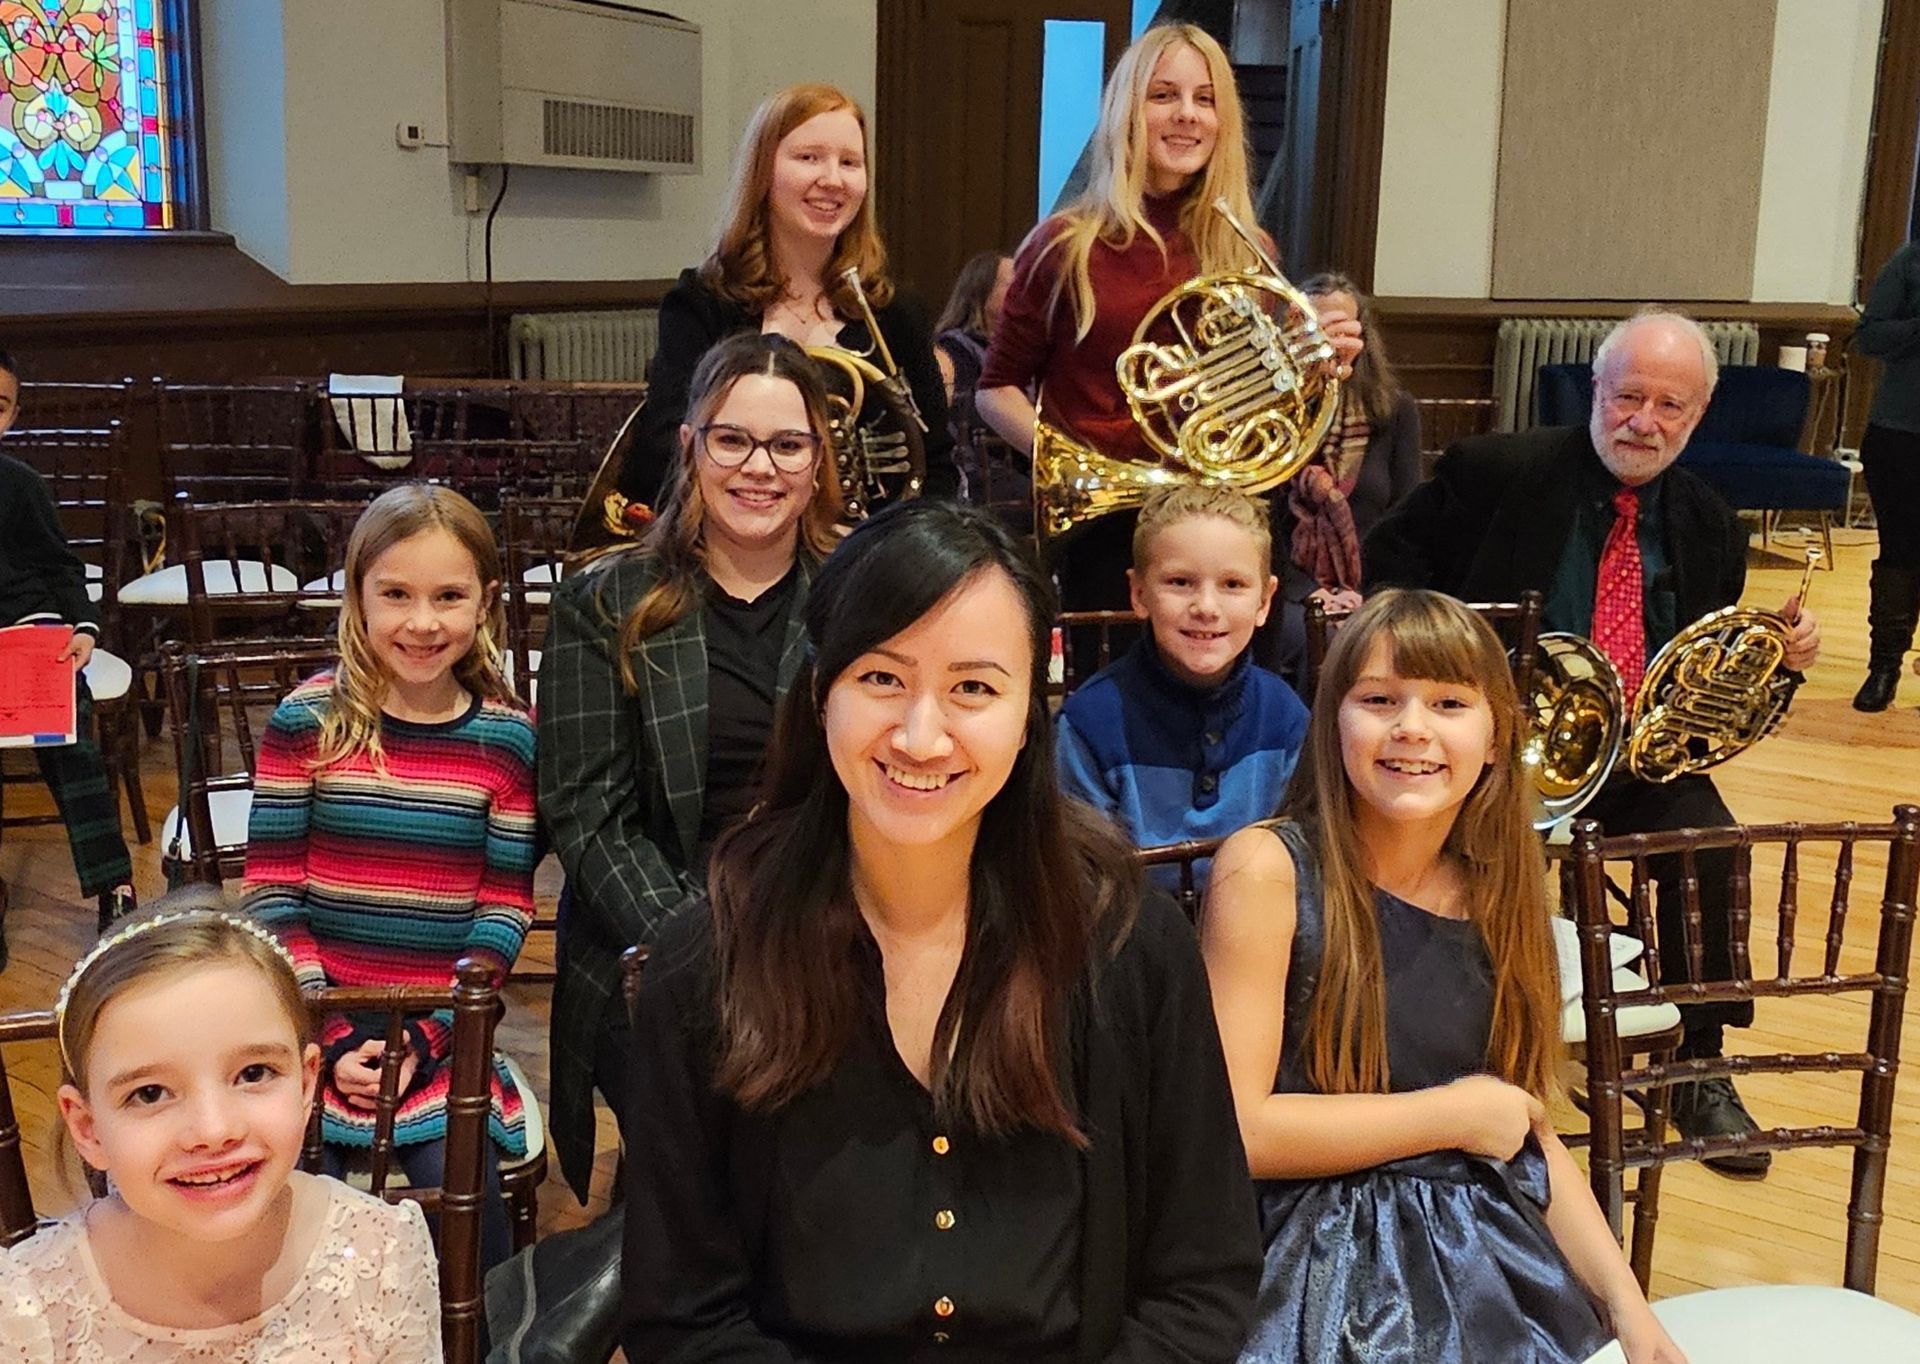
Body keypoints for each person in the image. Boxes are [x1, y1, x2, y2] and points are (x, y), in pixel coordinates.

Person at [622, 499, 1260, 1361]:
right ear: (820, 693)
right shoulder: (710, 959)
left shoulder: (1129, 942)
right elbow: (682, 1318)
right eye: (882, 679)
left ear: (1030, 714)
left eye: (974, 688)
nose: (922, 737)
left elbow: (1202, 1281)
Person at [1364, 308, 1821, 1175]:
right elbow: (1389, 566)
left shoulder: (1712, 524)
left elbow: (1719, 680)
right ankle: (1449, 1047)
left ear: (1699, 416)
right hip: (1489, 747)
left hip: (1634, 757)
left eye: (1670, 406)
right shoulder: (1495, 472)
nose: (1643, 422)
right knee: (1465, 856)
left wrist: (1783, 661)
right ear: (1595, 391)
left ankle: (1696, 1061)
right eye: (1628, 397)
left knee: (1711, 843)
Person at [1204, 589, 1683, 1364]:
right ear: (1333, 722)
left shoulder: (1498, 889)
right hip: (1303, 1263)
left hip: (1479, 1256)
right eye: (1379, 699)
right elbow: (1241, 1131)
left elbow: (1525, 1128)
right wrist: (1455, 1117)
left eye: (1450, 703)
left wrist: (1629, 1307)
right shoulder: (1266, 869)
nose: (1412, 728)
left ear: (1496, 739)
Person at [540, 332, 841, 1200]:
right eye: (732, 439)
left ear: (817, 461)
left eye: (787, 445)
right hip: (651, 944)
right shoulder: (603, 600)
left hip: (817, 928)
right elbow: (589, 813)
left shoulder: (854, 596)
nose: (760, 467)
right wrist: (699, 948)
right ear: (689, 446)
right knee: (712, 1150)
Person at [240, 483, 537, 1271]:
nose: (423, 622)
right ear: (358, 596)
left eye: (449, 596)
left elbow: (502, 908)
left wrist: (428, 1035)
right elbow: (272, 895)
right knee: (286, 1198)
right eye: (396, 594)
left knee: (466, 1202)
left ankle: (477, 1327)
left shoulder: (507, 739)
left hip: (442, 1025)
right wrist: (330, 1032)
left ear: (485, 602)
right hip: (313, 1016)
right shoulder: (307, 724)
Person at [976, 23, 1360, 620]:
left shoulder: (1247, 247)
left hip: (1226, 523)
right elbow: (995, 389)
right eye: (1163, 95)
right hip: (1112, 530)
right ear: (1127, 111)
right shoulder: (1063, 246)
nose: (1187, 114)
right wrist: (1075, 464)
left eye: (1205, 99)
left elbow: (1256, 403)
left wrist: (1316, 368)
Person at [0, 899, 440, 1360]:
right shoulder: (29, 1307)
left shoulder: (383, 1252)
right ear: (88, 1128)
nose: (213, 1131)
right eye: (149, 1093)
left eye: (253, 1073)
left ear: (305, 1083)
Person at [615, 82, 957, 515]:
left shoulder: (895, 313)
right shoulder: (703, 302)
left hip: (869, 548)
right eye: (809, 157)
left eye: (850, 162)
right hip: (732, 539)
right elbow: (665, 450)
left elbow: (935, 464)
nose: (832, 180)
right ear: (763, 171)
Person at [1056, 484, 1307, 876]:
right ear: (1139, 593)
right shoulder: (1087, 726)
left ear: (1265, 602)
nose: (1206, 607)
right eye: (1180, 582)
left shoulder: (1286, 716)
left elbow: (1302, 866)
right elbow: (1084, 881)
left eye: (1233, 585)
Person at [0, 347, 135, 960]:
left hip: (30, 633)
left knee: (72, 744)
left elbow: (60, 567)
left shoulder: (20, 484)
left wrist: (84, 627)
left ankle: (115, 886)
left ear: (12, 415)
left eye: (0, 405)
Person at [1264, 273, 1422, 684]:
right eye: (1317, 330)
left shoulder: (1395, 411)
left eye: (1342, 331)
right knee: (1313, 638)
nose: (1329, 344)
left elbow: (1408, 521)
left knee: (1374, 639)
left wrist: (1364, 594)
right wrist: (1306, 592)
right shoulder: (1270, 412)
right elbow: (1262, 523)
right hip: (1288, 587)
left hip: (1371, 586)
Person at [1850, 238, 1920, 711]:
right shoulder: (1909, 262)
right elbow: (1869, 337)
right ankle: (1884, 668)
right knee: (1901, 550)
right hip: (1901, 433)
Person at [933, 250, 1027, 517]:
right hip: (982, 475)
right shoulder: (953, 350)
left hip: (1018, 466)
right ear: (980, 292)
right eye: (1014, 283)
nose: (1025, 291)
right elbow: (967, 422)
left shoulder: (1020, 352)